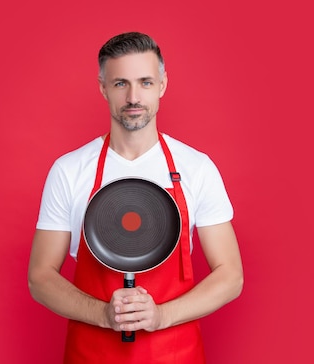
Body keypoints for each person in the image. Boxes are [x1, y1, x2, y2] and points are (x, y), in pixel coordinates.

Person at [27, 32, 244, 363]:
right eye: (120, 84)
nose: (133, 96)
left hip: (175, 353)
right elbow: (40, 277)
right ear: (103, 88)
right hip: (92, 353)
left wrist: (160, 316)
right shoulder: (69, 170)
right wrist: (103, 314)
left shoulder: (196, 168)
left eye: (145, 82)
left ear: (162, 85)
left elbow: (231, 275)